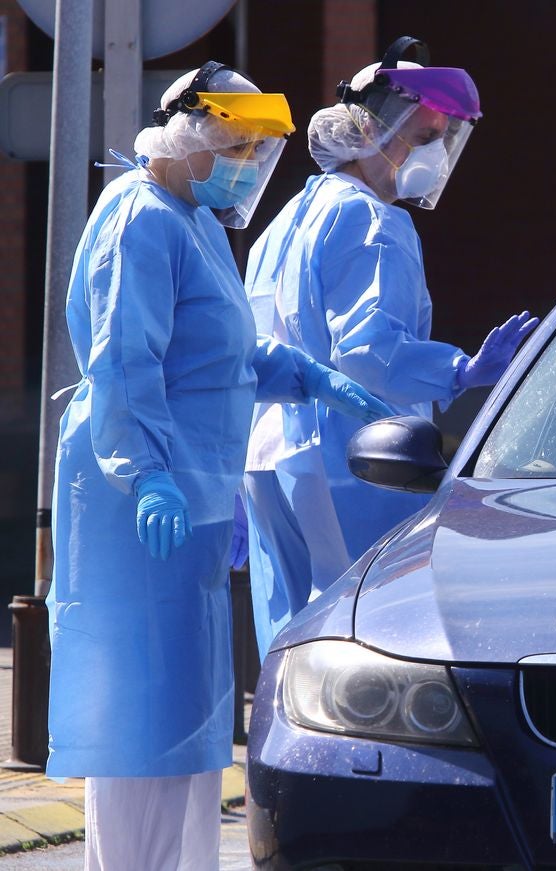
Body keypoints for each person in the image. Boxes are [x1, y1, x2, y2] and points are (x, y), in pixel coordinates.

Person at [46, 64, 393, 870]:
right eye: (236, 145)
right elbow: (126, 363)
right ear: (189, 137)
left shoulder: (194, 220)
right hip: (138, 497)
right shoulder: (140, 218)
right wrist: (148, 474)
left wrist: (305, 374)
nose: (245, 165)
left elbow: (217, 352)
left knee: (191, 719)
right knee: (141, 716)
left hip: (186, 497)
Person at [242, 37, 537, 659]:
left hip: (270, 454)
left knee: (286, 642)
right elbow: (366, 350)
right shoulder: (375, 221)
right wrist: (460, 371)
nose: (436, 150)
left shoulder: (290, 216)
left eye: (445, 135)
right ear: (372, 130)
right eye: (425, 133)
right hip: (349, 460)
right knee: (355, 641)